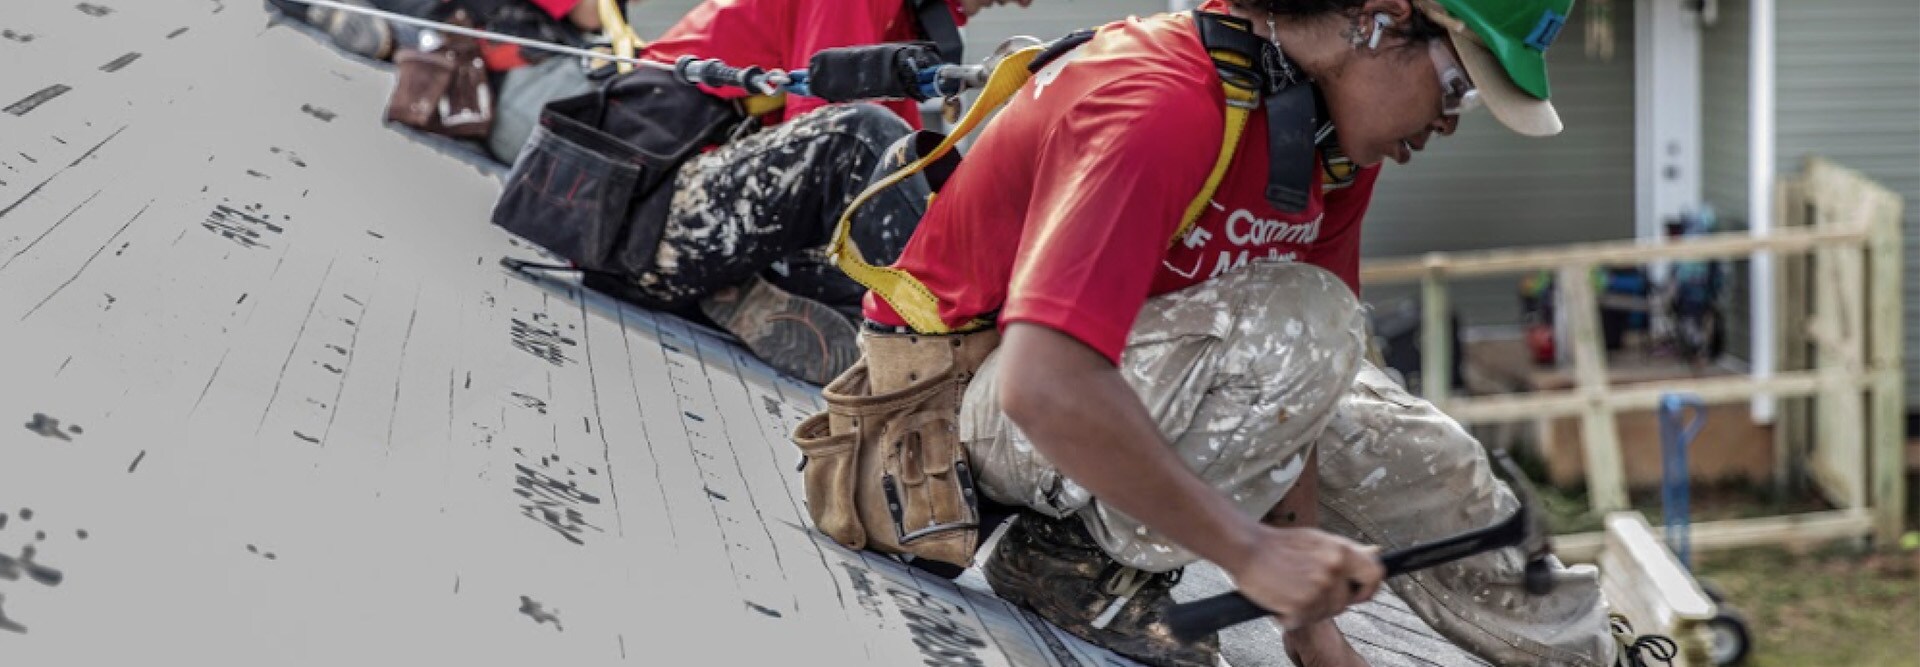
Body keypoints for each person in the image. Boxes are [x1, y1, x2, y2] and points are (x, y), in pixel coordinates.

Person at [806, 0, 1675, 665]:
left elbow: (1311, 386)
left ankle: (1587, 652)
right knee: (1313, 321)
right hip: (956, 420)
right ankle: (1074, 560)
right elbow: (1043, 380)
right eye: (1458, 87)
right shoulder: (1160, 101)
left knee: (1411, 443)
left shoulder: (1330, 147)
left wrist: (1310, 626)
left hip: (1101, 389)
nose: (1449, 121)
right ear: (1378, 20)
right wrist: (1251, 554)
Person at [590, 0, 1029, 384]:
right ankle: (954, 358)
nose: (1025, 4)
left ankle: (861, 333)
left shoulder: (899, 24)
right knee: (858, 135)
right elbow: (835, 133)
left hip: (703, 234)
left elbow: (903, 183)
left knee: (885, 224)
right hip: (645, 227)